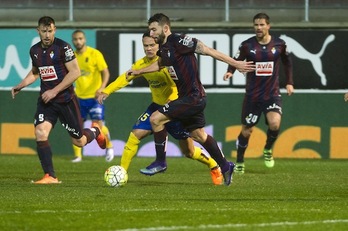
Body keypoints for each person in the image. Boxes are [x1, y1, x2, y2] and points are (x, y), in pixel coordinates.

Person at [127, 13, 255, 186]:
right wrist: (139, 71)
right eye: (150, 29)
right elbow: (161, 64)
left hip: (193, 97)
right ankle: (226, 166)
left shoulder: (180, 41)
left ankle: (160, 162)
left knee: (155, 119)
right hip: (189, 98)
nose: (151, 33)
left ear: (165, 28)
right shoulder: (163, 49)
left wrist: (235, 63)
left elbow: (208, 50)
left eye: (154, 29)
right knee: (199, 135)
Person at [97, 32, 223, 185]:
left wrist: (173, 101)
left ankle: (213, 165)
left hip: (175, 108)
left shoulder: (168, 62)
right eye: (146, 46)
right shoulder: (141, 64)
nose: (149, 49)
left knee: (189, 152)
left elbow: (179, 84)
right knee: (135, 134)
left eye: (152, 45)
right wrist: (107, 90)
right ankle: (121, 174)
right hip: (156, 107)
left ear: (159, 45)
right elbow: (125, 77)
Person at [11, 16, 106, 184]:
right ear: (38, 31)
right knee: (40, 132)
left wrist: (54, 91)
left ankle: (96, 131)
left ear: (54, 30)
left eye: (50, 31)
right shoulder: (34, 50)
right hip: (46, 102)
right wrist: (20, 85)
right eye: (44, 31)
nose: (47, 35)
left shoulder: (64, 47)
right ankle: (50, 176)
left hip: (66, 100)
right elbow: (35, 72)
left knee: (79, 141)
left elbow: (75, 72)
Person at [223, 12, 294, 174]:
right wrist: (230, 71)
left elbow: (287, 62)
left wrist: (289, 82)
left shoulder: (279, 44)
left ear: (268, 26)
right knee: (247, 130)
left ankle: (268, 150)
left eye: (262, 25)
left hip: (272, 94)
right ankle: (240, 160)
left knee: (275, 123)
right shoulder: (247, 45)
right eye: (256, 25)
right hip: (253, 96)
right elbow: (236, 59)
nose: (258, 28)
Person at [71, 30, 114, 163]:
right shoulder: (71, 56)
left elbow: (106, 73)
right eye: (75, 39)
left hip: (94, 97)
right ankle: (78, 156)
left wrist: (101, 88)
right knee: (76, 126)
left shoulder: (95, 54)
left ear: (85, 39)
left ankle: (109, 147)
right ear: (73, 41)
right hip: (78, 97)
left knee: (99, 125)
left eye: (80, 38)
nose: (78, 41)